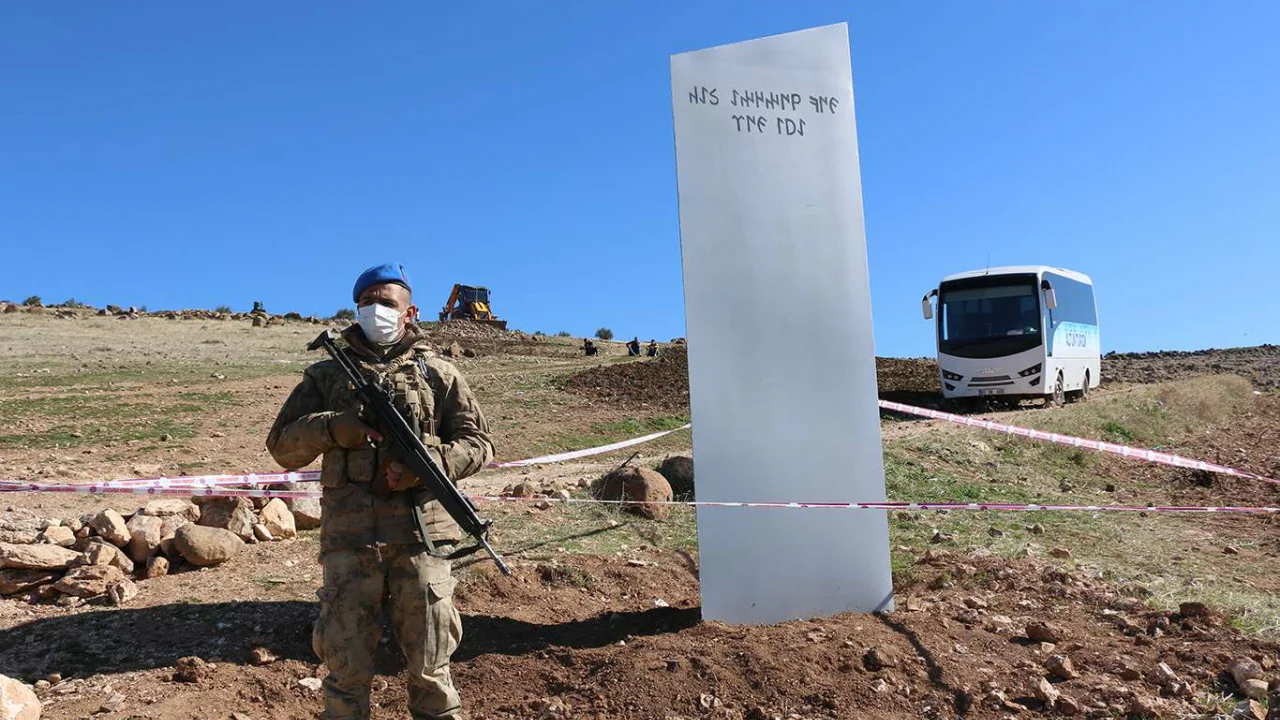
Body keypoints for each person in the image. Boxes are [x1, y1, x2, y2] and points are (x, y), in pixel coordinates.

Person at [266, 262, 494, 720]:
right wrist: (334, 428)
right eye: (366, 303)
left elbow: (480, 443)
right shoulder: (326, 375)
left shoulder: (440, 374)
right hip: (350, 545)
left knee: (432, 671)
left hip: (423, 540)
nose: (375, 311)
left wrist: (428, 467)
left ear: (410, 313)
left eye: (386, 303)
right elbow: (282, 448)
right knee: (345, 672)